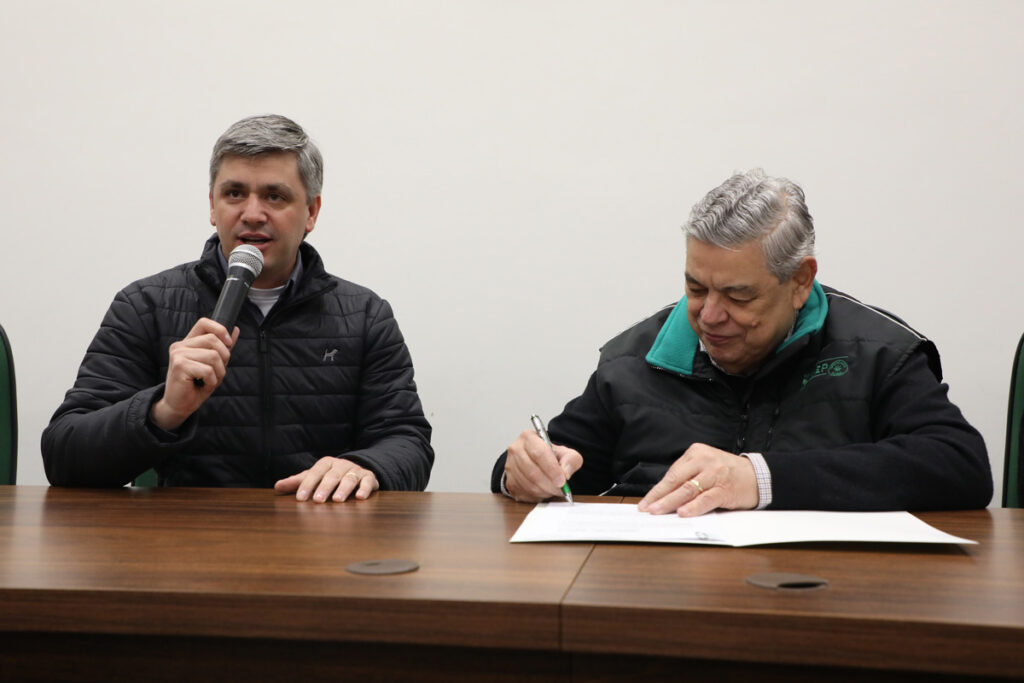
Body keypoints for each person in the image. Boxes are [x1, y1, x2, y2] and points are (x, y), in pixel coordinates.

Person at [492, 169, 992, 515]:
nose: (708, 316)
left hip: (821, 607)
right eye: (695, 288)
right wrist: (522, 471)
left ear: (799, 282)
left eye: (737, 294)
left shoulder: (876, 353)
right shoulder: (637, 359)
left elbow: (960, 465)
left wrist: (759, 479)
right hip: (662, 607)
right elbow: (561, 461)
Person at [43, 114, 433, 502]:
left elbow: (407, 440)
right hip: (189, 545)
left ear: (311, 212)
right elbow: (64, 455)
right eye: (234, 194)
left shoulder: (364, 316)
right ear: (213, 207)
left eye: (274, 196)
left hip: (322, 539)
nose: (251, 213)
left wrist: (365, 466)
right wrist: (164, 410)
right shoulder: (146, 306)